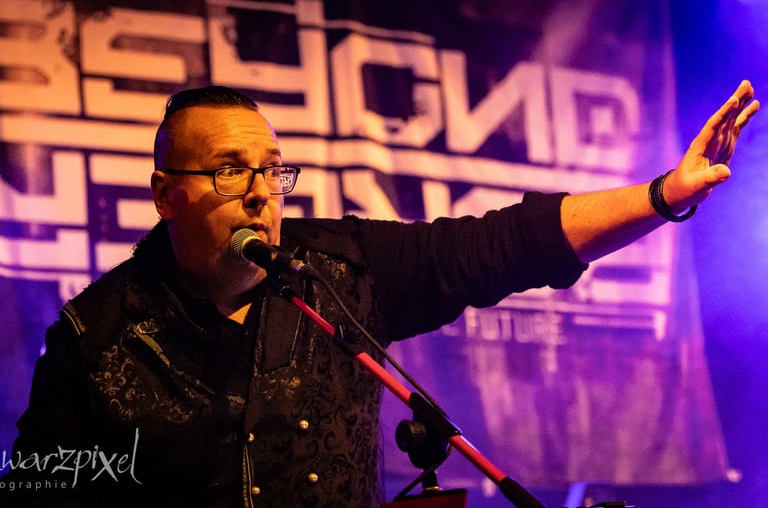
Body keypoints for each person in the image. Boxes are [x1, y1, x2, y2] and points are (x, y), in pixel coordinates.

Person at [0, 81, 758, 507]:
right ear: (166, 194)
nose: (262, 193)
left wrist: (662, 195)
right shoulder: (94, 337)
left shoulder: (341, 269)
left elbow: (504, 244)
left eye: (272, 170)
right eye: (230, 171)